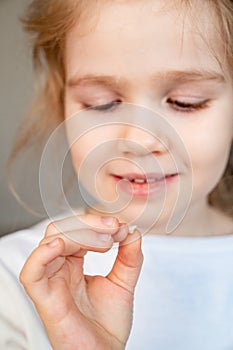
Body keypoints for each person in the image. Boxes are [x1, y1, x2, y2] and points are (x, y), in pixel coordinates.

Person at [0, 0, 233, 349]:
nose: (139, 140)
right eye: (102, 103)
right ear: (61, 99)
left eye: (186, 101)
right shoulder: (16, 278)